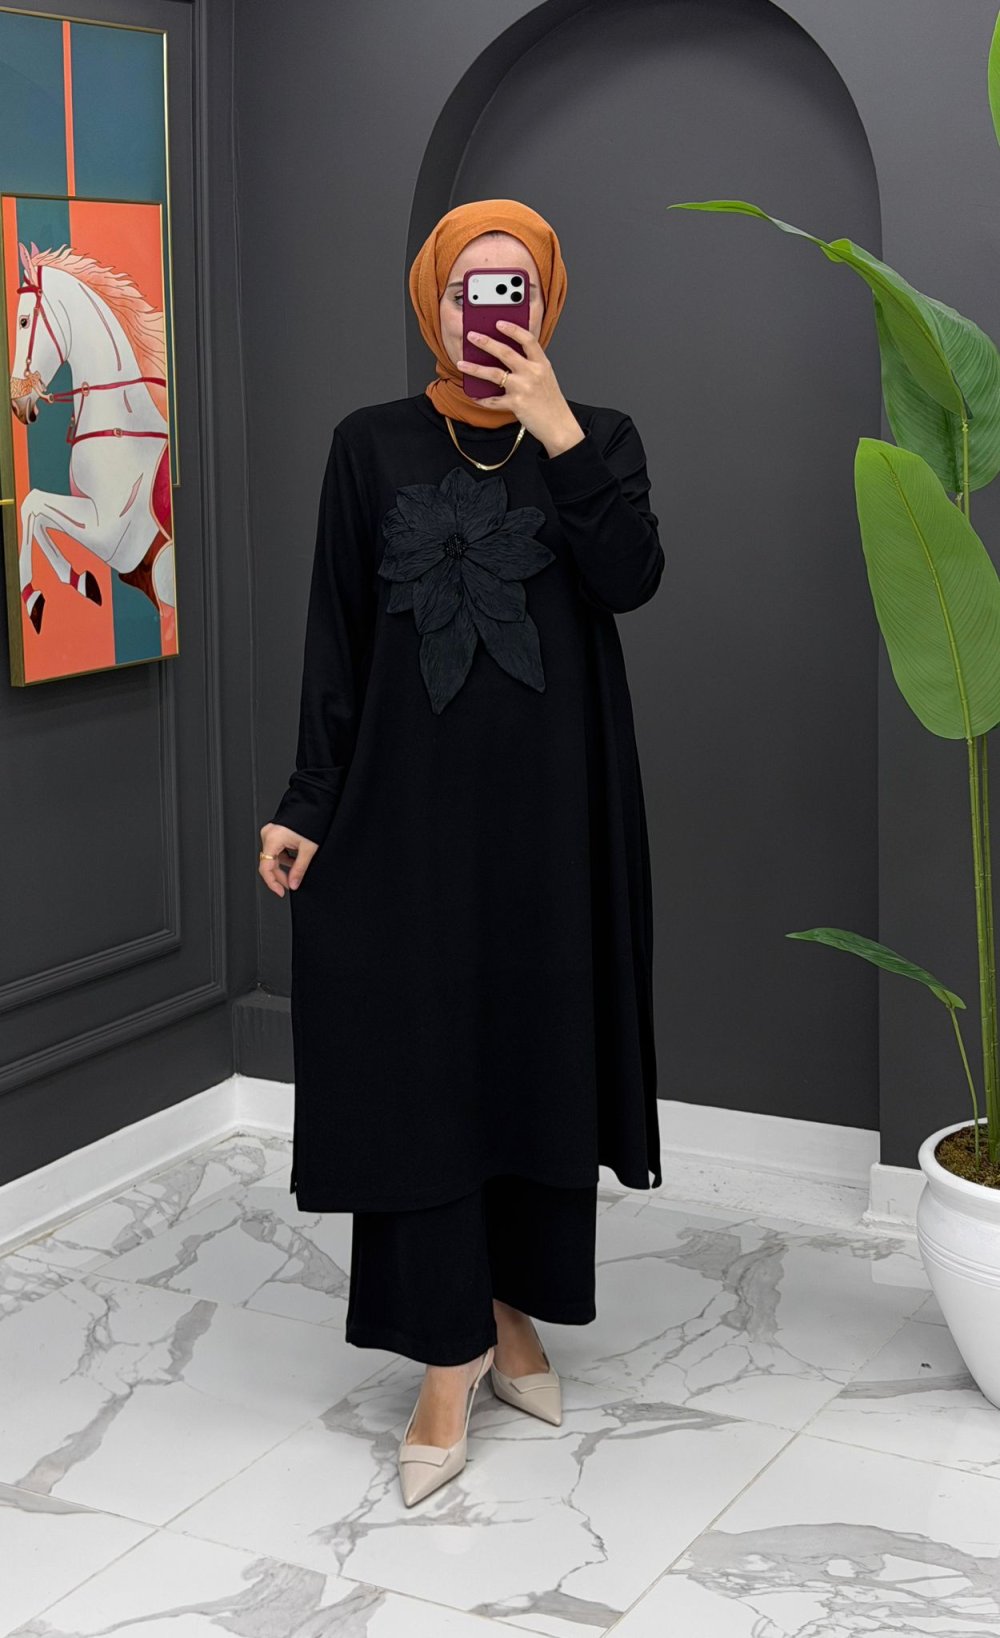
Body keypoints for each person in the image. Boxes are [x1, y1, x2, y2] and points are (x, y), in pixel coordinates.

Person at [259, 199, 665, 1507]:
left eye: (513, 289)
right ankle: (447, 1356)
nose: (489, 311)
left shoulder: (600, 437)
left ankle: (511, 1310)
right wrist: (306, 799)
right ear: (430, 302)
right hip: (408, 823)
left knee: (532, 1055)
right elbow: (336, 631)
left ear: (546, 302)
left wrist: (554, 428)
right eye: (465, 290)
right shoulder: (368, 444)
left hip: (552, 824)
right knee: (424, 1067)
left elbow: (631, 577)